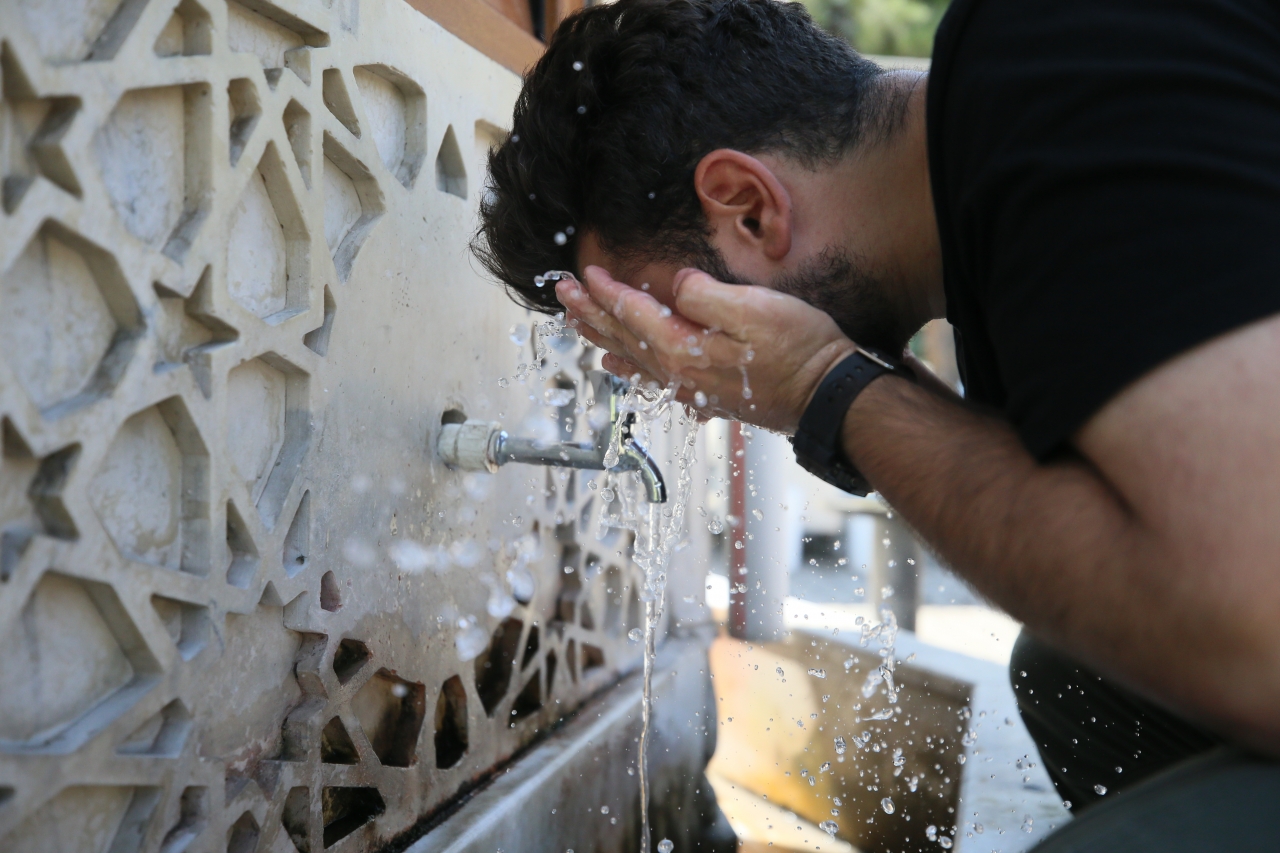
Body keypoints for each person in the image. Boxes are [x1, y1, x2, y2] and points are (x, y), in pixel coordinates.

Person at [472, 0, 1280, 846]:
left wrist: (830, 387)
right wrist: (847, 384)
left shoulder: (1058, 67)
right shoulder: (1016, 197)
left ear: (749, 207)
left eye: (666, 320)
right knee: (1071, 674)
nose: (678, 379)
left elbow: (1256, 622)